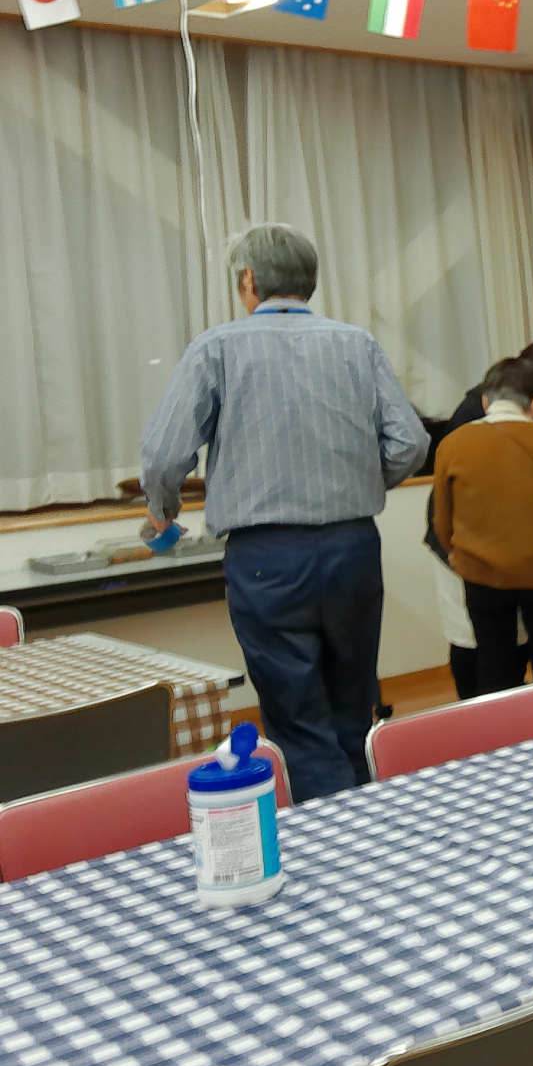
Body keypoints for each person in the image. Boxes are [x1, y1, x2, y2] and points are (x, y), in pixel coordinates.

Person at [139, 225, 429, 802]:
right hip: (352, 547)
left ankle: (335, 835)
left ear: (247, 279)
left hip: (267, 557)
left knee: (297, 717)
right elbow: (411, 443)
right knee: (353, 704)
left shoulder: (217, 347)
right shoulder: (357, 344)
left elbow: (165, 456)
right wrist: (354, 486)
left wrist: (162, 514)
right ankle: (370, 821)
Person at [422, 341, 533, 699]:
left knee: (503, 657)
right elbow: (447, 508)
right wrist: (458, 553)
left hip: (503, 553)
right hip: (472, 551)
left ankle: (511, 719)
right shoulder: (470, 418)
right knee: (480, 649)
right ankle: (483, 714)